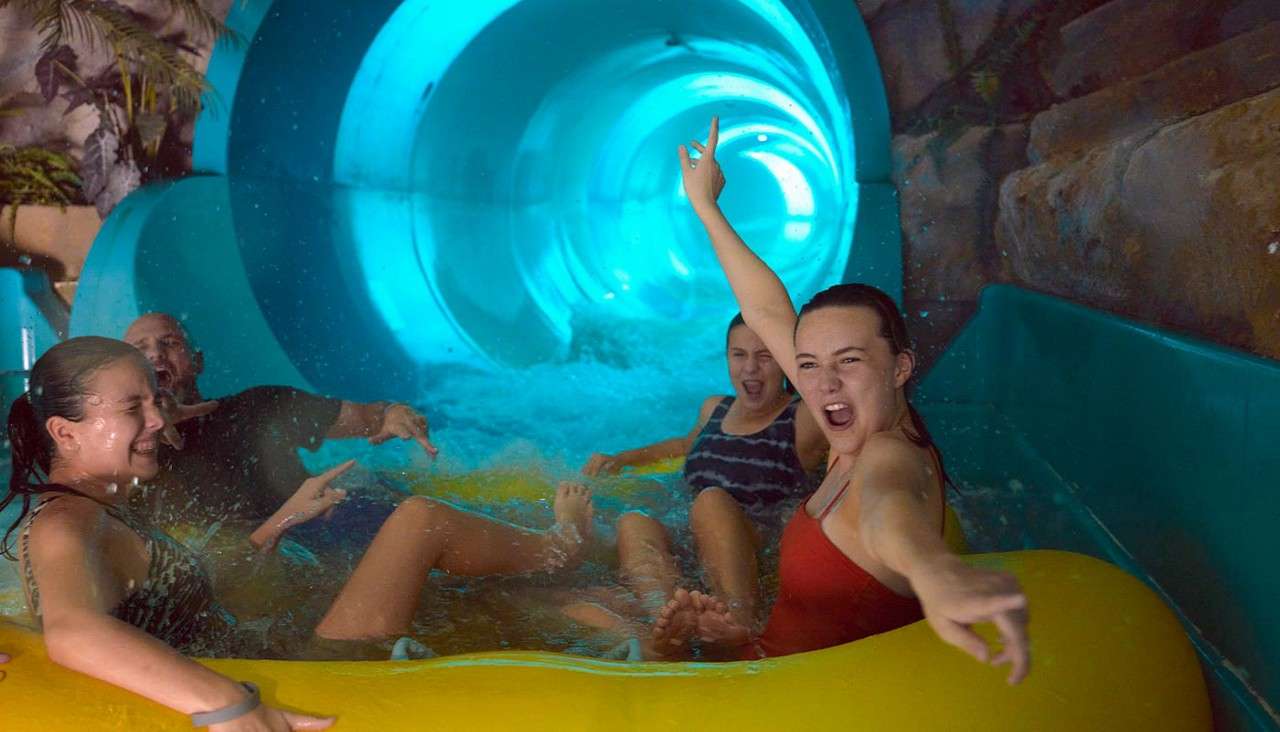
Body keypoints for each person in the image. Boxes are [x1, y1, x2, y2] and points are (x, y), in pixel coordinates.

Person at [3, 337, 596, 728]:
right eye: (132, 407)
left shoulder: (101, 504)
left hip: (273, 646)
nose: (158, 418)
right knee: (422, 521)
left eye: (155, 400)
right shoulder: (64, 523)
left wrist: (280, 522)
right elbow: (73, 632)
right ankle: (560, 548)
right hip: (306, 669)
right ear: (66, 432)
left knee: (458, 586)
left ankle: (563, 586)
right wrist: (230, 707)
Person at [636, 117, 1030, 682]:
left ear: (899, 368)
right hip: (763, 659)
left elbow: (889, 507)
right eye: (810, 366)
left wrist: (937, 572)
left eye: (850, 361)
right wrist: (706, 206)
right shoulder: (849, 437)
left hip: (785, 699)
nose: (824, 385)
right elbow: (768, 310)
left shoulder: (888, 454)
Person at [580, 315, 826, 647]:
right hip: (696, 537)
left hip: (755, 543)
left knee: (711, 501)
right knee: (634, 522)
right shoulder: (716, 408)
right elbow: (685, 444)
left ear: (785, 362)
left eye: (765, 356)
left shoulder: (801, 418)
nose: (750, 368)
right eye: (739, 355)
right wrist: (625, 458)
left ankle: (738, 619)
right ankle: (665, 621)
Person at [122, 312, 434, 528]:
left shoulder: (260, 407)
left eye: (170, 343)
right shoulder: (125, 451)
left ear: (198, 361)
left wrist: (391, 413)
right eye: (141, 350)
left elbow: (369, 418)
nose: (156, 355)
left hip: (323, 529)